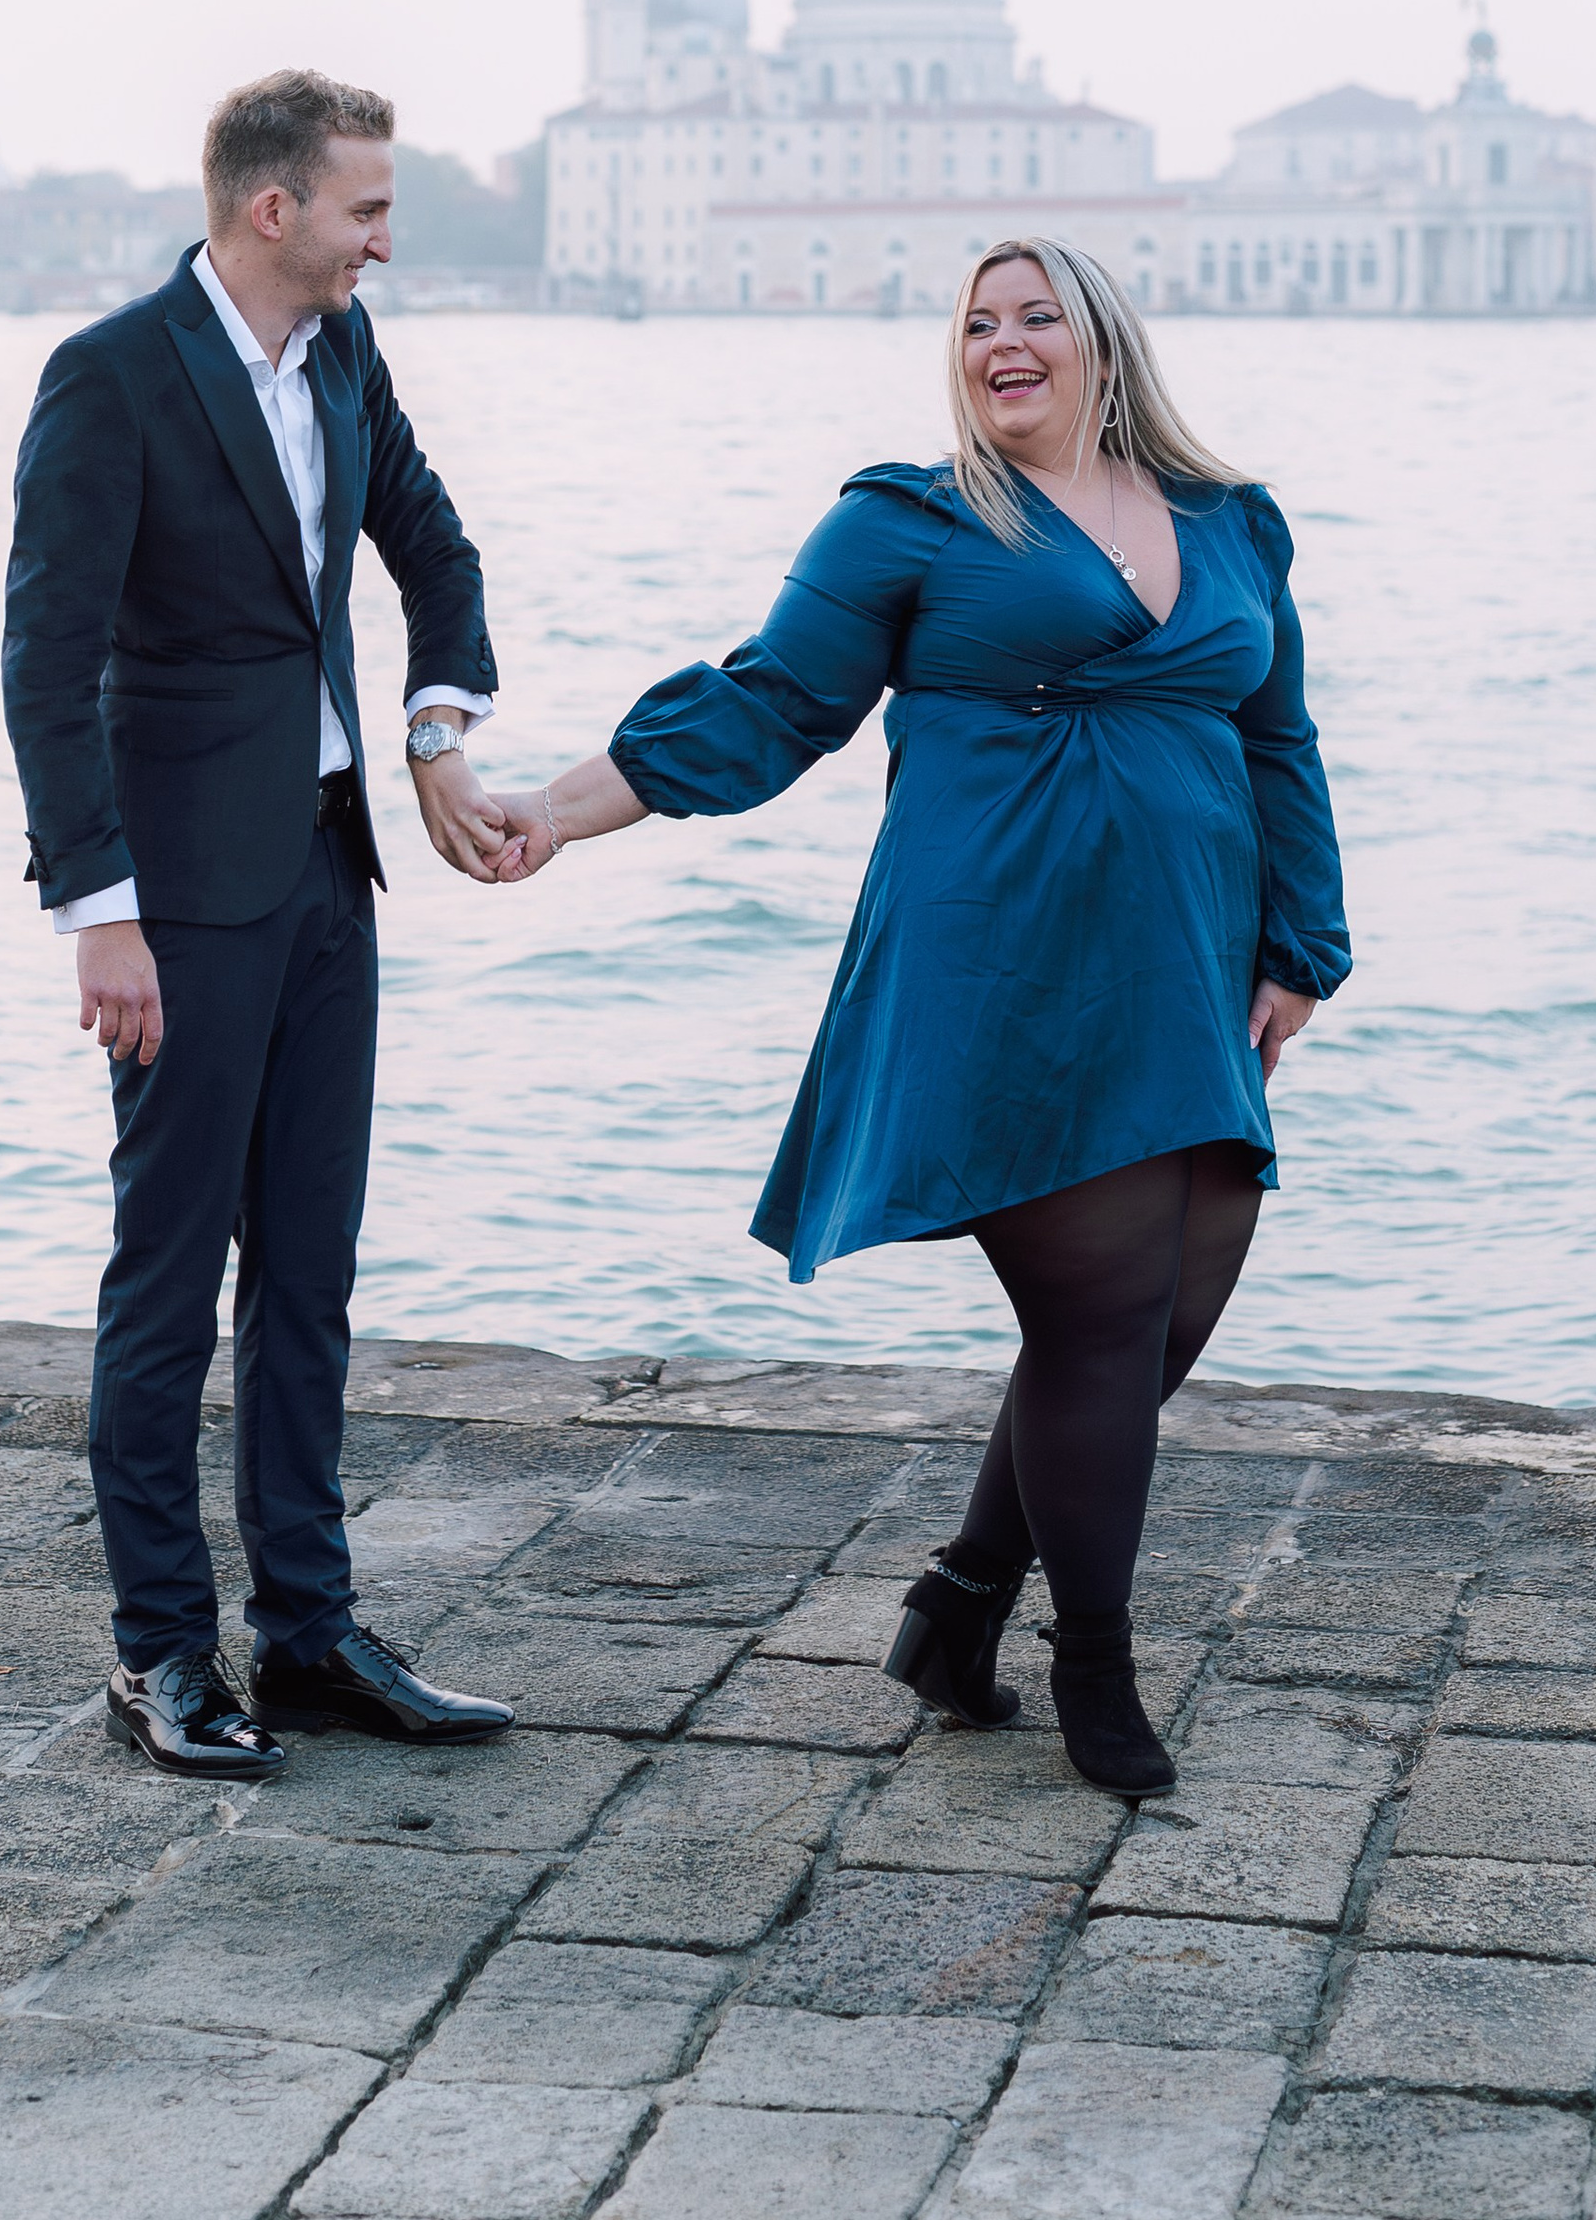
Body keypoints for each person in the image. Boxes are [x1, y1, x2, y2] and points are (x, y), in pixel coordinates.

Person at [498, 236, 1350, 1796]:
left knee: (1162, 1321)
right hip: (997, 966)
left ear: (1106, 344)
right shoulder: (912, 517)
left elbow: (1280, 738)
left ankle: (957, 1607)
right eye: (976, 324)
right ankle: (1091, 1666)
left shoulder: (1233, 524)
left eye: (1036, 317)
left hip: (1183, 966)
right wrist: (555, 808)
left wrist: (1304, 946)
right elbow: (768, 703)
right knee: (1094, 1320)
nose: (1001, 343)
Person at [3, 68, 519, 1781]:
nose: (389, 237)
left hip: (325, 874)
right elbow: (46, 663)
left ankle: (308, 1632)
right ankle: (161, 1651)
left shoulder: (347, 353)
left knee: (310, 1277)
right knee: (167, 1287)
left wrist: (436, 732)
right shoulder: (112, 377)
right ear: (273, 209)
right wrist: (100, 913)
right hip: (177, 906)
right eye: (368, 207)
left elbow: (433, 553)